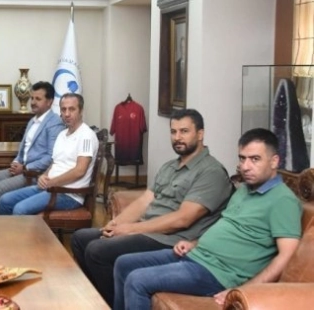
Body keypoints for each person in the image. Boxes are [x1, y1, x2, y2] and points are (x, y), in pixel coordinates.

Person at [113, 128, 302, 310]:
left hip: (218, 274)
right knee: (123, 263)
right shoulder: (244, 190)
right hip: (197, 256)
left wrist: (244, 291)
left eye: (255, 159)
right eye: (242, 158)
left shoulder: (283, 200)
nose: (245, 167)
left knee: (137, 280)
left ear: (274, 161)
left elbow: (287, 256)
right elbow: (225, 226)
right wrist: (194, 243)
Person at [70, 108, 233, 306]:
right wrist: (115, 224)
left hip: (170, 239)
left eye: (184, 131)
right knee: (80, 238)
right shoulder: (169, 167)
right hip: (148, 230)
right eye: (173, 132)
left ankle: (112, 305)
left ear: (200, 134)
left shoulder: (211, 172)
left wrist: (131, 229)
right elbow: (143, 201)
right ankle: (100, 301)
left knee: (97, 250)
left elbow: (183, 219)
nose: (177, 137)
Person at [0, 93, 98, 215]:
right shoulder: (62, 134)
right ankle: (10, 229)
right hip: (49, 187)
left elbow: (80, 171)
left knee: (20, 209)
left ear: (81, 111)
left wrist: (52, 182)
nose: (67, 114)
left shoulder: (86, 136)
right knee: (4, 201)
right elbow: (55, 163)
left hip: (68, 194)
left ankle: (23, 228)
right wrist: (43, 176)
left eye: (72, 109)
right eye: (63, 109)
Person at [0, 81, 64, 214]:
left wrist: (25, 168)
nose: (33, 102)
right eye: (32, 98)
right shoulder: (33, 120)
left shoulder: (54, 123)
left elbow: (51, 157)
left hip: (36, 173)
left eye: (38, 99)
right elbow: (24, 148)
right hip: (22, 169)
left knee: (1, 187)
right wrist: (16, 162)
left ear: (49, 102)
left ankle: (4, 223)